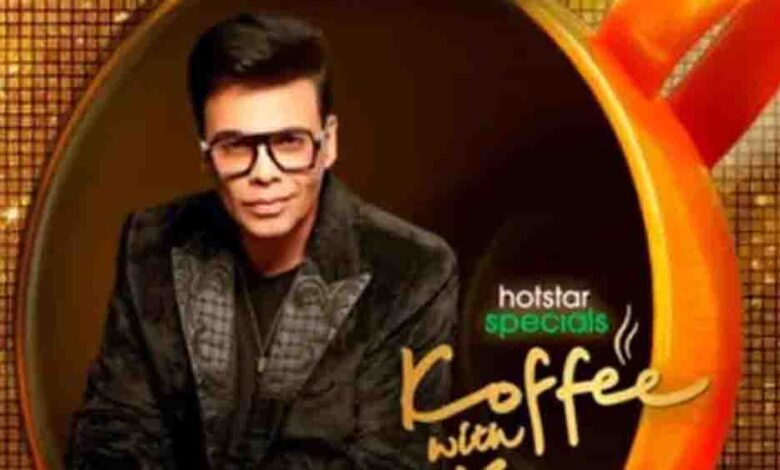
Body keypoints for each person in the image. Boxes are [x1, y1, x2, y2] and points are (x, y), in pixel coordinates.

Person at [66, 12, 459, 470]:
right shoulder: (150, 244)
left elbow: (393, 460)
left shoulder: (410, 270)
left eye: (289, 142)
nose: (265, 172)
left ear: (328, 143)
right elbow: (113, 431)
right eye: (236, 146)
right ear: (206, 155)